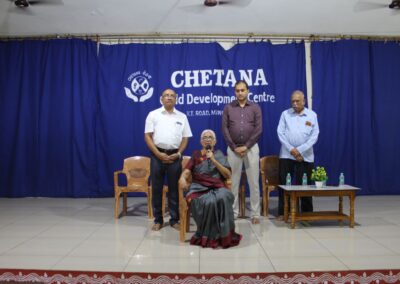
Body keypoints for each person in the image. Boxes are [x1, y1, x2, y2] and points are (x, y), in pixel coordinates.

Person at [179, 129, 242, 248]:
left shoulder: (219, 155)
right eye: (205, 137)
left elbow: (227, 175)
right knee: (209, 201)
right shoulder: (196, 155)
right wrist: (182, 178)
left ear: (215, 141)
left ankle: (224, 236)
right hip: (199, 188)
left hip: (217, 187)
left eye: (210, 137)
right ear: (201, 141)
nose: (207, 139)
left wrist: (213, 159)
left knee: (224, 197)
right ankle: (208, 236)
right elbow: (187, 172)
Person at [144, 88, 192, 231]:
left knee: (174, 189)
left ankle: (174, 219)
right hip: (157, 156)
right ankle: (158, 220)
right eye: (166, 95)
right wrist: (158, 154)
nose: (169, 98)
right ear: (161, 99)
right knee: (157, 189)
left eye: (172, 96)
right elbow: (147, 136)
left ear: (176, 99)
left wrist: (178, 154)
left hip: (175, 157)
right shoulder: (153, 115)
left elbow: (185, 138)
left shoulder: (182, 116)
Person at [222, 80, 263, 224]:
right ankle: (233, 212)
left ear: (248, 91)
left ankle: (255, 214)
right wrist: (234, 147)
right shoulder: (228, 108)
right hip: (233, 149)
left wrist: (246, 146)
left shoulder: (255, 107)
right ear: (235, 92)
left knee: (254, 183)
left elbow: (258, 130)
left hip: (251, 149)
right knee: (233, 182)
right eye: (237, 90)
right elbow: (225, 129)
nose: (240, 93)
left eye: (243, 90)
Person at [277, 90, 320, 217]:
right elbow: (280, 133)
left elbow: (314, 136)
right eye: (293, 101)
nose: (295, 104)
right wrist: (292, 149)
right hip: (287, 155)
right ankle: (284, 212)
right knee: (285, 185)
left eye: (297, 101)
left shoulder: (312, 115)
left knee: (305, 187)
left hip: (305, 156)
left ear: (304, 101)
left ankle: (306, 214)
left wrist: (300, 150)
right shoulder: (285, 114)